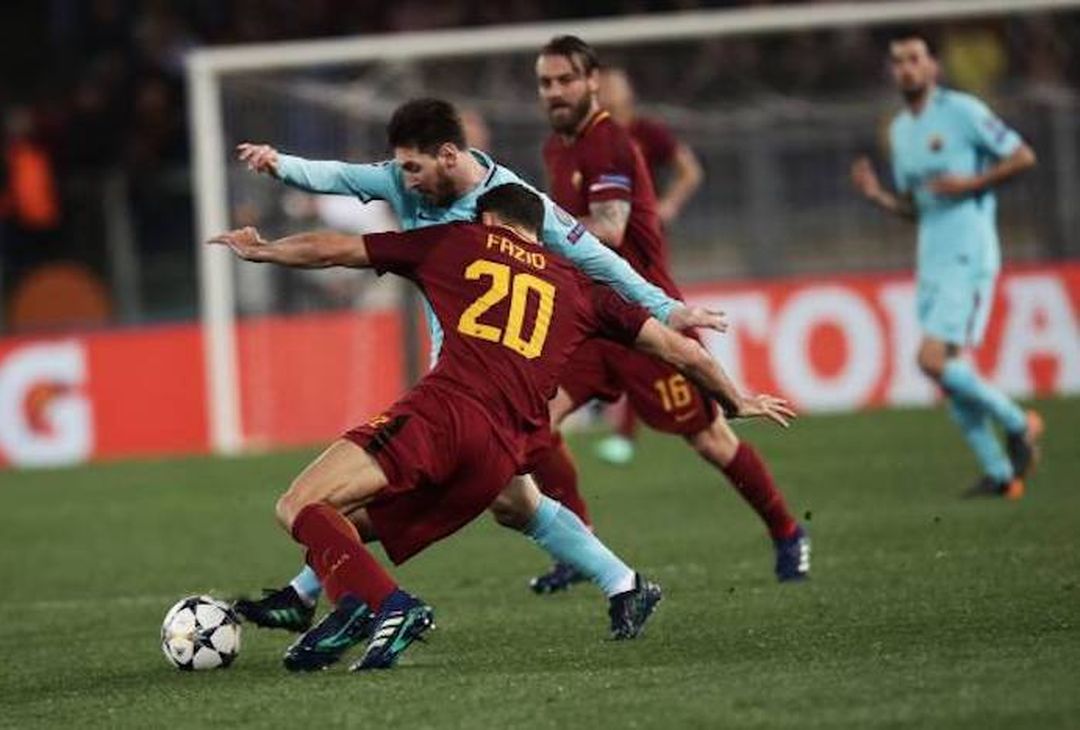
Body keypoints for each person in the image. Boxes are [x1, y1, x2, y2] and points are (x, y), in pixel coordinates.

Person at [209, 183, 796, 671]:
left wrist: (265, 251)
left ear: (489, 220)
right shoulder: (581, 288)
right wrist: (735, 400)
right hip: (499, 455)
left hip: (444, 414)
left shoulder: (461, 241)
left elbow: (337, 249)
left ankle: (386, 605)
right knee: (352, 526)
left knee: (299, 505)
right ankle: (336, 606)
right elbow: (682, 351)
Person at [231, 98, 727, 634]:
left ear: (448, 156)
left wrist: (667, 308)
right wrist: (278, 163)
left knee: (368, 492)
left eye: (414, 168)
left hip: (482, 378)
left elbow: (601, 259)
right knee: (514, 501)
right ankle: (624, 583)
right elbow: (339, 177)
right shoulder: (404, 179)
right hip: (460, 372)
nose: (406, 182)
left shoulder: (514, 206)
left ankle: (339, 597)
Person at [528, 36, 810, 595]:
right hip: (588, 322)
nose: (555, 91)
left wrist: (530, 231)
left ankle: (786, 530)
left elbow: (610, 230)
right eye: (545, 82)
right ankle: (580, 546)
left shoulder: (610, 142)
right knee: (533, 420)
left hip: (644, 320)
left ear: (591, 82)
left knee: (711, 440)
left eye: (566, 80)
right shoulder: (556, 148)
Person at [850, 30, 1043, 499]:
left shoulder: (963, 112)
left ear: (933, 66)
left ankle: (1019, 423)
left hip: (968, 252)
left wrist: (972, 183)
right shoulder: (899, 130)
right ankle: (1000, 474)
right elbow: (918, 207)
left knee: (931, 359)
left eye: (915, 59)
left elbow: (1023, 156)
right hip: (932, 258)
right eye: (899, 61)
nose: (907, 68)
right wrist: (878, 197)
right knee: (947, 370)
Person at [593, 65, 706, 465]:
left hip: (643, 246)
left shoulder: (648, 133)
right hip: (604, 247)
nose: (605, 93)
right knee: (632, 332)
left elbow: (691, 171)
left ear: (628, 92)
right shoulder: (590, 140)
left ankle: (706, 390)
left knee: (650, 322)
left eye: (612, 85)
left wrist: (668, 205)